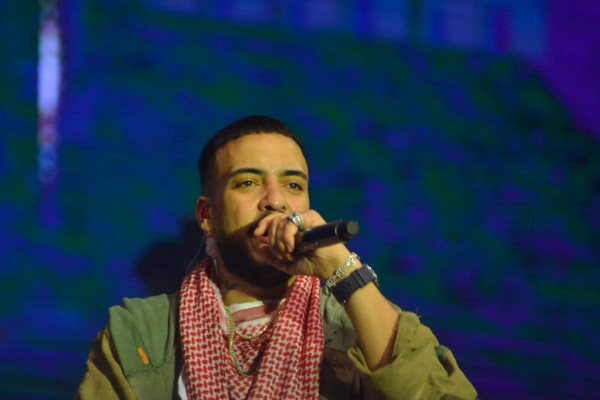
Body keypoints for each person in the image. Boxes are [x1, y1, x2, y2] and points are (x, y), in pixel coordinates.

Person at [75, 116, 478, 400]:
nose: (276, 201)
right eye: (248, 182)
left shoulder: (358, 324)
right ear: (206, 215)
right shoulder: (138, 333)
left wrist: (343, 271)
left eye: (293, 185)